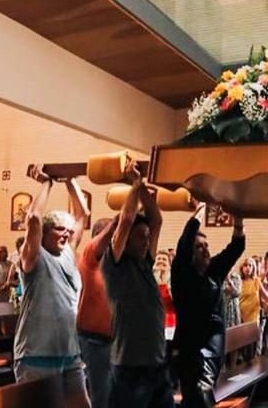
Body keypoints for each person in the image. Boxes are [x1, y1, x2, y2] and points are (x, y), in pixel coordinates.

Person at [13, 166, 90, 408]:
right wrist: (47, 183)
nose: (66, 234)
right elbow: (34, 218)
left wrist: (69, 180)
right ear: (44, 233)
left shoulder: (67, 252)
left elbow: (83, 215)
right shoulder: (33, 256)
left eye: (68, 230)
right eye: (59, 229)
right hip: (37, 353)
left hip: (68, 350)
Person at [101, 160, 172, 408]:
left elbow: (157, 219)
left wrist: (141, 186)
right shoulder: (115, 264)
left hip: (157, 363)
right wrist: (134, 182)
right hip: (129, 367)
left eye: (148, 237)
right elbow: (127, 219)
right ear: (126, 239)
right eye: (141, 237)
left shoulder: (145, 262)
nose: (147, 242)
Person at [171, 203, 245, 407]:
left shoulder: (213, 271)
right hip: (192, 350)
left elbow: (236, 248)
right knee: (198, 393)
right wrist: (201, 210)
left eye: (206, 245)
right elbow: (184, 245)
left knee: (199, 395)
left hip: (213, 347)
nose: (205, 250)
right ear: (190, 253)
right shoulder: (182, 274)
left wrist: (238, 219)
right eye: (199, 246)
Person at [76, 217, 117, 408]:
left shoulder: (114, 263)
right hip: (95, 339)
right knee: (102, 394)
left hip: (116, 339)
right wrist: (121, 220)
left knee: (115, 393)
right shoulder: (90, 257)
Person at [154, 249, 176, 328]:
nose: (161, 261)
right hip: (153, 324)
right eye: (158, 259)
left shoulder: (174, 281)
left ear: (169, 266)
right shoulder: (149, 279)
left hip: (171, 325)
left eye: (164, 259)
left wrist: (166, 284)